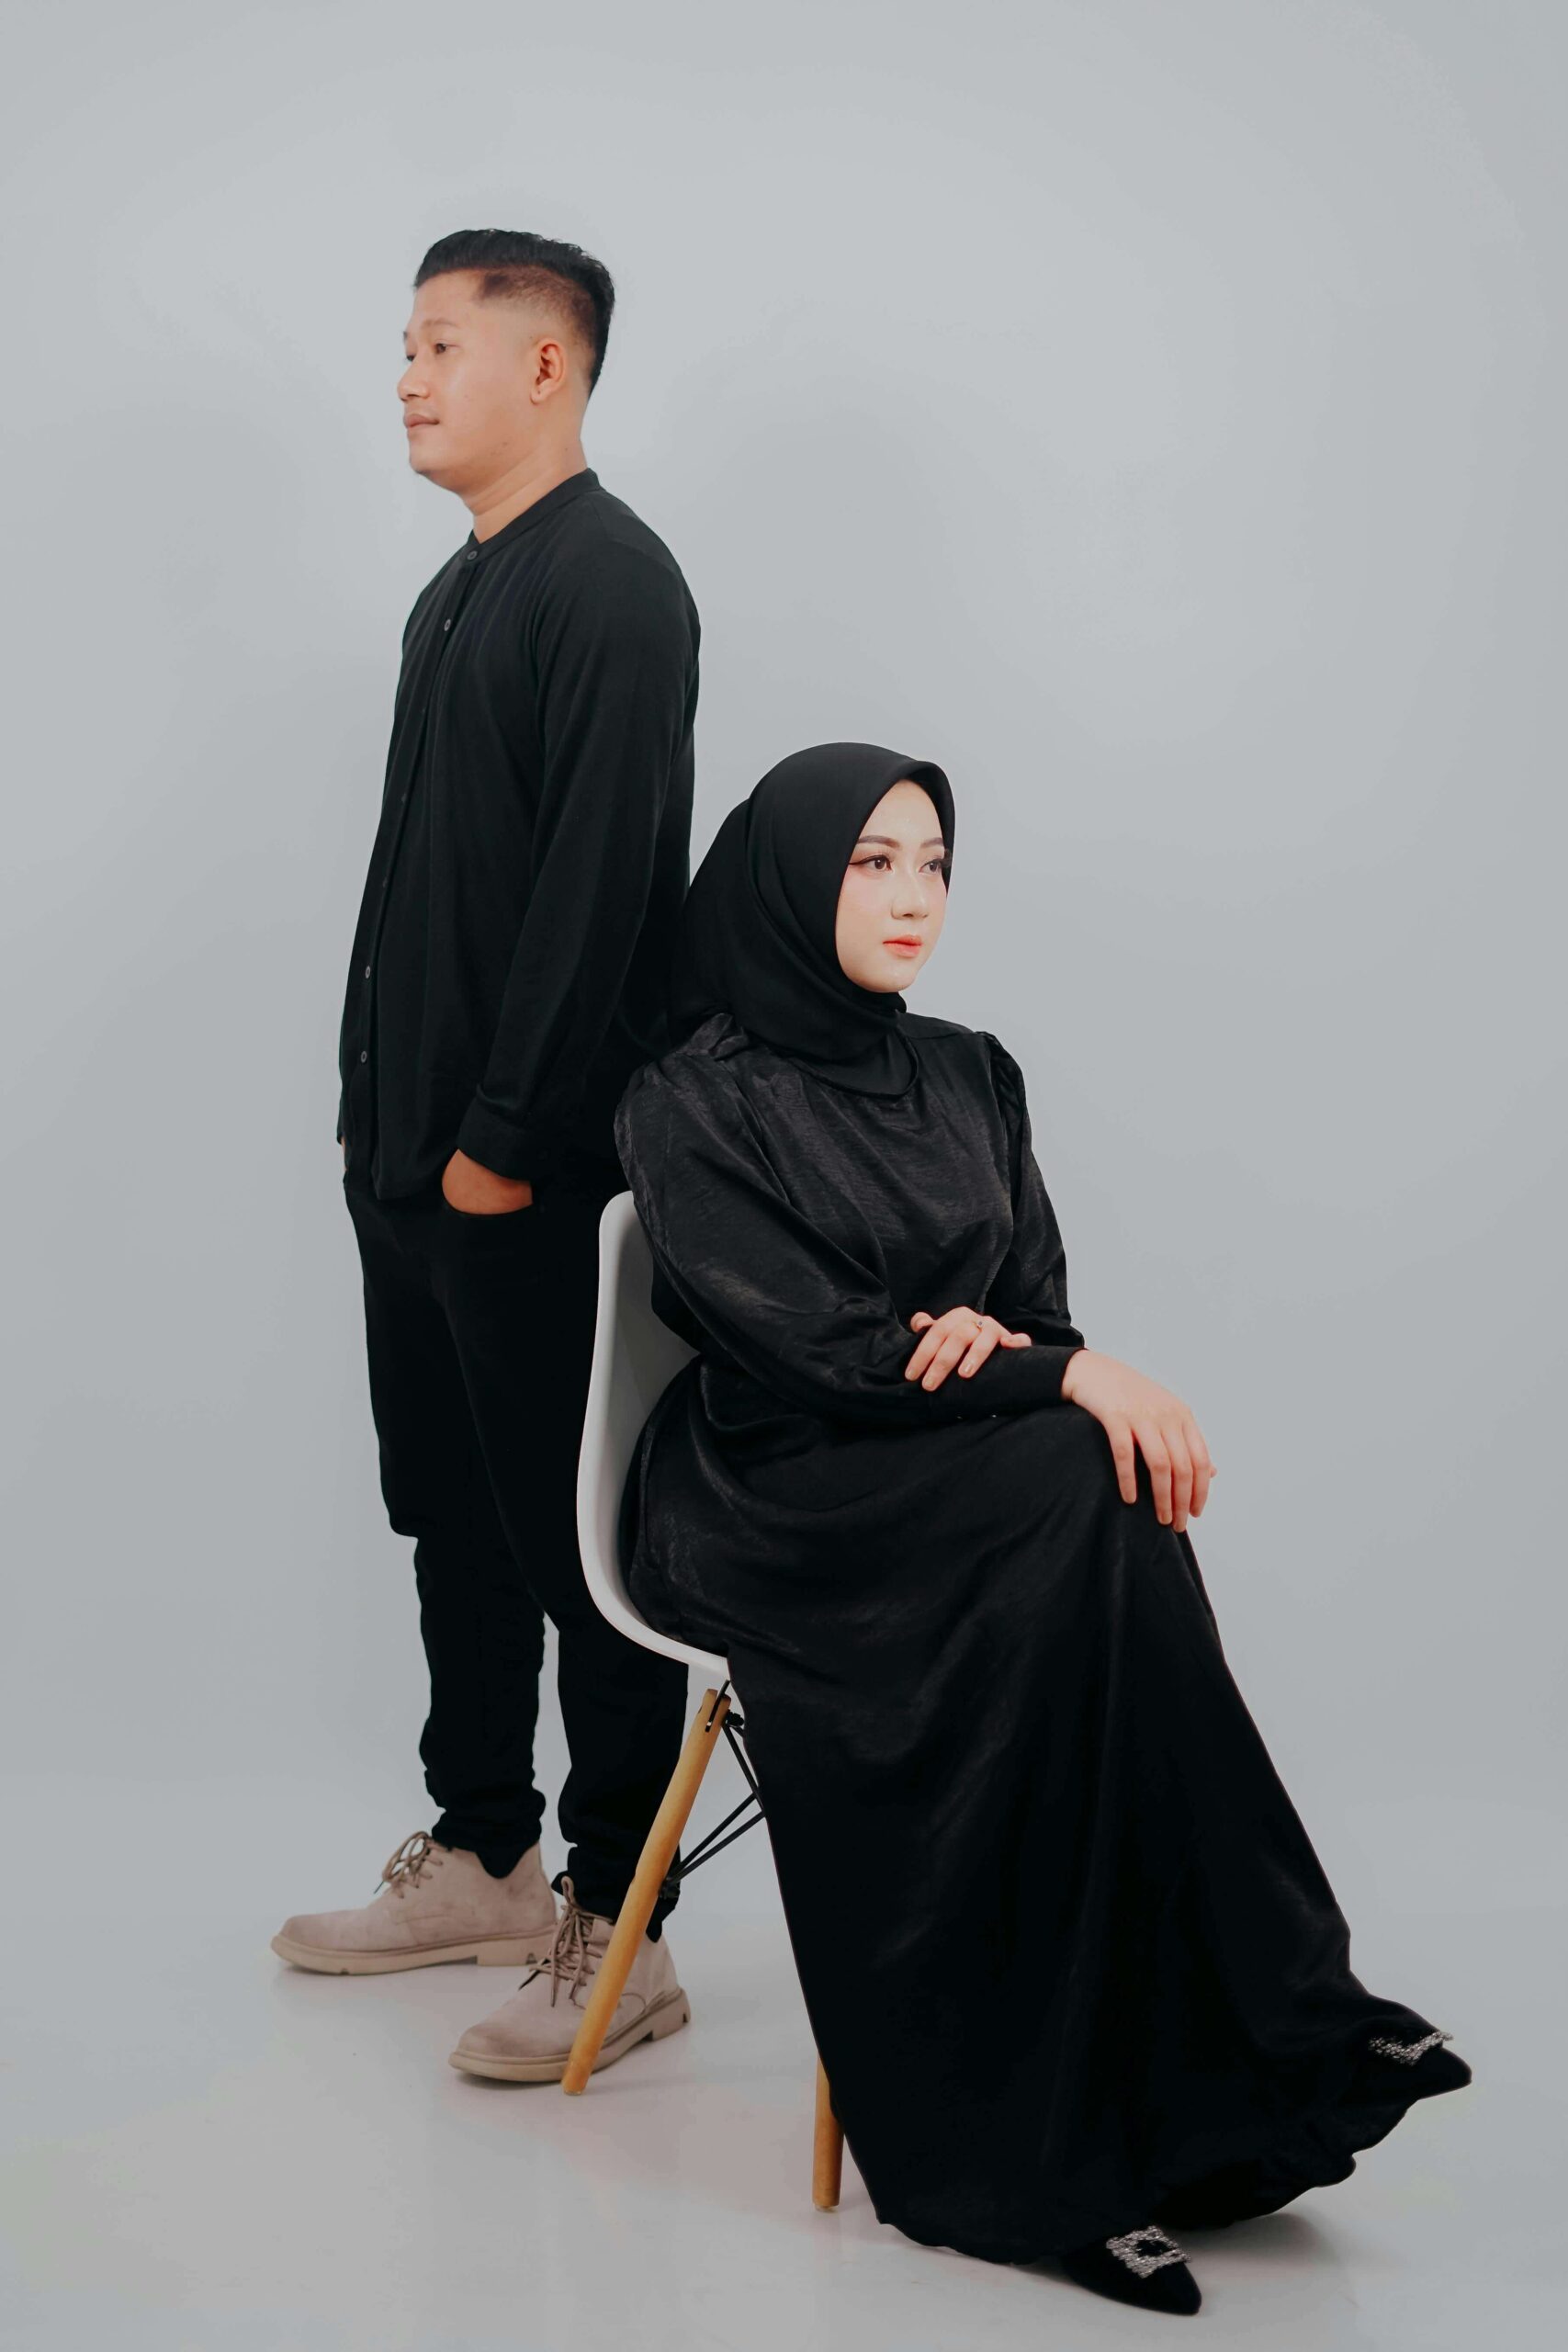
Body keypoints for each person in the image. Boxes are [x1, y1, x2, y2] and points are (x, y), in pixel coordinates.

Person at [611, 743, 1471, 2316]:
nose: (913, 897)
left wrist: (1008, 1350)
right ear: (789, 879)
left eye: (934, 863)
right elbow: (814, 1347)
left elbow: (1036, 1310)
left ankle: (1230, 2057)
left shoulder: (971, 1074)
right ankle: (1063, 2126)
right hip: (771, 1490)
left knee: (1092, 1490)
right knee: (1083, 1475)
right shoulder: (691, 1097)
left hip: (964, 1467)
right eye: (871, 861)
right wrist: (1028, 1367)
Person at [272, 229, 701, 2086]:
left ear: (548, 365)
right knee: (448, 1509)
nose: (405, 375)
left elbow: (601, 894)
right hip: (411, 1163)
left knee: (578, 1543)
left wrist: (501, 1148)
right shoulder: (455, 592)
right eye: (404, 343)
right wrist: (386, 1126)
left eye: (440, 343)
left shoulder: (613, 585)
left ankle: (623, 1921)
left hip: (521, 1180)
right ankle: (484, 1851)